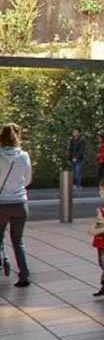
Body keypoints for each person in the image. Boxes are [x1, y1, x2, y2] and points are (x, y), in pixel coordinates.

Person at [0, 123, 33, 288]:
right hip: (20, 203)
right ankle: (24, 274)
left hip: (1, 204)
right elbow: (27, 180)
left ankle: (2, 262)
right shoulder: (24, 156)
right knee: (18, 239)